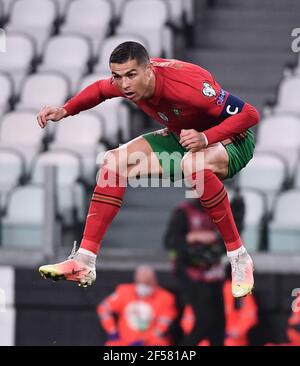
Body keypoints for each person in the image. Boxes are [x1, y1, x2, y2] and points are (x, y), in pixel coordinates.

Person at [37, 41, 259, 297]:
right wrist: (65, 110)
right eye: (117, 77)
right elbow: (100, 89)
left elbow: (249, 115)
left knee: (192, 163)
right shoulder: (128, 82)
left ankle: (239, 257)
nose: (124, 84)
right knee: (113, 162)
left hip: (232, 141)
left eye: (131, 75)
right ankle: (85, 261)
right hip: (183, 137)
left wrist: (205, 138)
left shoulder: (189, 86)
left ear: (149, 70)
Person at [164, 198, 226, 345]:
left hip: (214, 274)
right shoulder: (184, 212)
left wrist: (216, 239)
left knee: (219, 324)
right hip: (192, 274)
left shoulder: (221, 210)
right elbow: (169, 241)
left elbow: (229, 241)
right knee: (205, 320)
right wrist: (193, 237)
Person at [96, 265, 177, 346]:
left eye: (147, 282)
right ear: (135, 280)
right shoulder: (124, 292)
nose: (143, 285)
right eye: (140, 282)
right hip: (124, 341)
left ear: (154, 281)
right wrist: (112, 330)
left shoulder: (166, 297)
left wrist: (144, 341)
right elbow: (103, 308)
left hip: (150, 342)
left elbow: (162, 328)